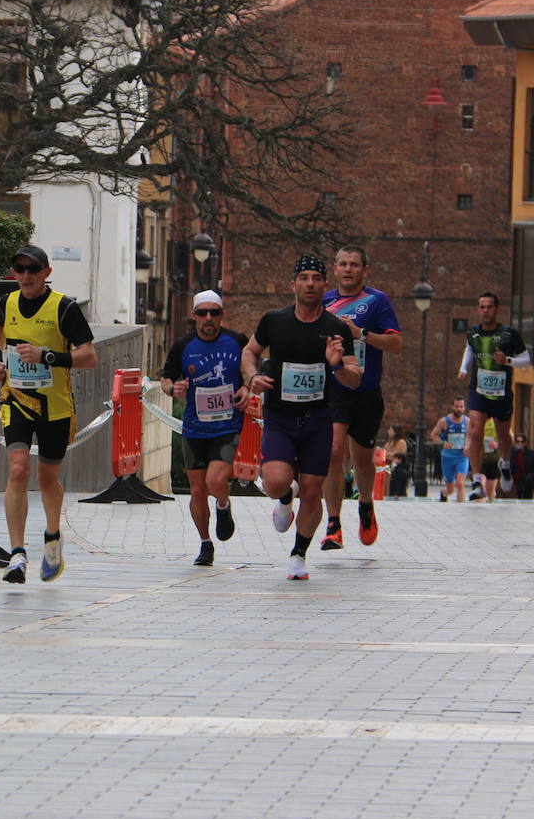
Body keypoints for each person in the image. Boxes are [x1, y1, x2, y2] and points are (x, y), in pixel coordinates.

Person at [240, 255, 361, 581]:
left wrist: (336, 365)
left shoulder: (335, 329)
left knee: (311, 491)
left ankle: (298, 554)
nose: (310, 283)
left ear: (325, 284)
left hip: (317, 419)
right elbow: (250, 352)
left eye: (316, 278)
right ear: (293, 284)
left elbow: (354, 378)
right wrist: (252, 378)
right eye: (304, 278)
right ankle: (282, 500)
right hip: (280, 416)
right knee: (277, 480)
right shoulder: (274, 321)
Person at [0, 245, 97, 582]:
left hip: (55, 406)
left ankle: (52, 536)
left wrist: (48, 357)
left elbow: (89, 355)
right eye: (19, 269)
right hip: (16, 400)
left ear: (46, 273)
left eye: (32, 270)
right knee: (18, 470)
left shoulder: (64, 308)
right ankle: (17, 554)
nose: (25, 276)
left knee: (47, 479)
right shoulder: (7, 303)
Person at [319, 246, 402, 549]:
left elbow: (395, 344)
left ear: (365, 270)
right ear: (335, 269)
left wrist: (361, 334)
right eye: (342, 264)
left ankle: (365, 504)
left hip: (365, 393)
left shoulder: (377, 301)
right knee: (333, 450)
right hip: (333, 390)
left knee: (363, 460)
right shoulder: (323, 301)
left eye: (354, 265)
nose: (348, 269)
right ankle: (333, 524)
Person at [160, 290, 250, 566]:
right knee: (198, 490)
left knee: (215, 481)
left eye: (214, 312)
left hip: (227, 425)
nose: (208, 318)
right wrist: (172, 389)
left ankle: (223, 505)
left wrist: (246, 387)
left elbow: (252, 370)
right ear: (194, 316)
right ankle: (205, 544)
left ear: (222, 315)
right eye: (202, 313)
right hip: (195, 429)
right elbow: (165, 379)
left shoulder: (237, 342)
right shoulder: (182, 346)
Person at [457, 292, 529, 500]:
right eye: (482, 307)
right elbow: (469, 349)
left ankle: (505, 463)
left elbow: (525, 360)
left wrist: (507, 360)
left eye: (489, 307)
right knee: (476, 430)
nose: (485, 311)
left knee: (503, 434)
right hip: (478, 390)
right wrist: (463, 368)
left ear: (496, 309)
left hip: (501, 393)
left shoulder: (509, 334)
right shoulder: (473, 333)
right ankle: (477, 480)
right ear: (478, 310)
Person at [429, 396, 470, 502]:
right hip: (448, 457)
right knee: (450, 489)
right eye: (457, 406)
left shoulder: (468, 422)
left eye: (461, 407)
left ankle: (459, 508)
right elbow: (433, 435)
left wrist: (467, 445)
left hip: (462, 457)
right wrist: (443, 443)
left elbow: (471, 436)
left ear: (464, 408)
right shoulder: (444, 421)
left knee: (460, 484)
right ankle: (444, 493)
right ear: (452, 407)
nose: (459, 409)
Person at [508, 432, 534, 500]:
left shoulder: (530, 454)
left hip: (527, 482)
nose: (520, 443)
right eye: (517, 441)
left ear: (525, 442)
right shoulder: (510, 453)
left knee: (527, 500)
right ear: (514, 442)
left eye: (522, 441)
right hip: (514, 482)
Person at [384, 425, 409, 498]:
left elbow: (399, 455)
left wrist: (390, 455)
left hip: (397, 468)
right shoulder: (388, 443)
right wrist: (390, 455)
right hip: (387, 467)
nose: (388, 431)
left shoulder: (401, 442)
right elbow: (383, 454)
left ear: (395, 432)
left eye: (390, 430)